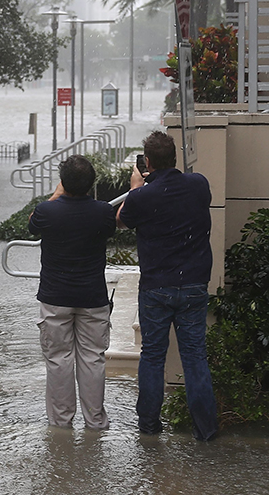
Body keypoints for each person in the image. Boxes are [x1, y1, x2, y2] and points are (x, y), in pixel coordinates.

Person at [117, 130, 218, 441]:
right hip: (193, 285)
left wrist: (136, 186)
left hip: (156, 287)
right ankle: (206, 431)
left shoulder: (142, 195)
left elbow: (121, 220)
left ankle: (148, 427)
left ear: (147, 162)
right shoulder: (199, 184)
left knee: (152, 356)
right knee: (194, 357)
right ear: (175, 158)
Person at [28, 154, 116, 430]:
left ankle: (61, 422)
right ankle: (95, 421)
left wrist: (56, 195)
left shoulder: (46, 211)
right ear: (92, 183)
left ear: (63, 183)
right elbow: (111, 228)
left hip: (55, 298)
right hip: (92, 298)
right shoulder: (102, 211)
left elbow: (32, 224)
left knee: (58, 361)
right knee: (93, 360)